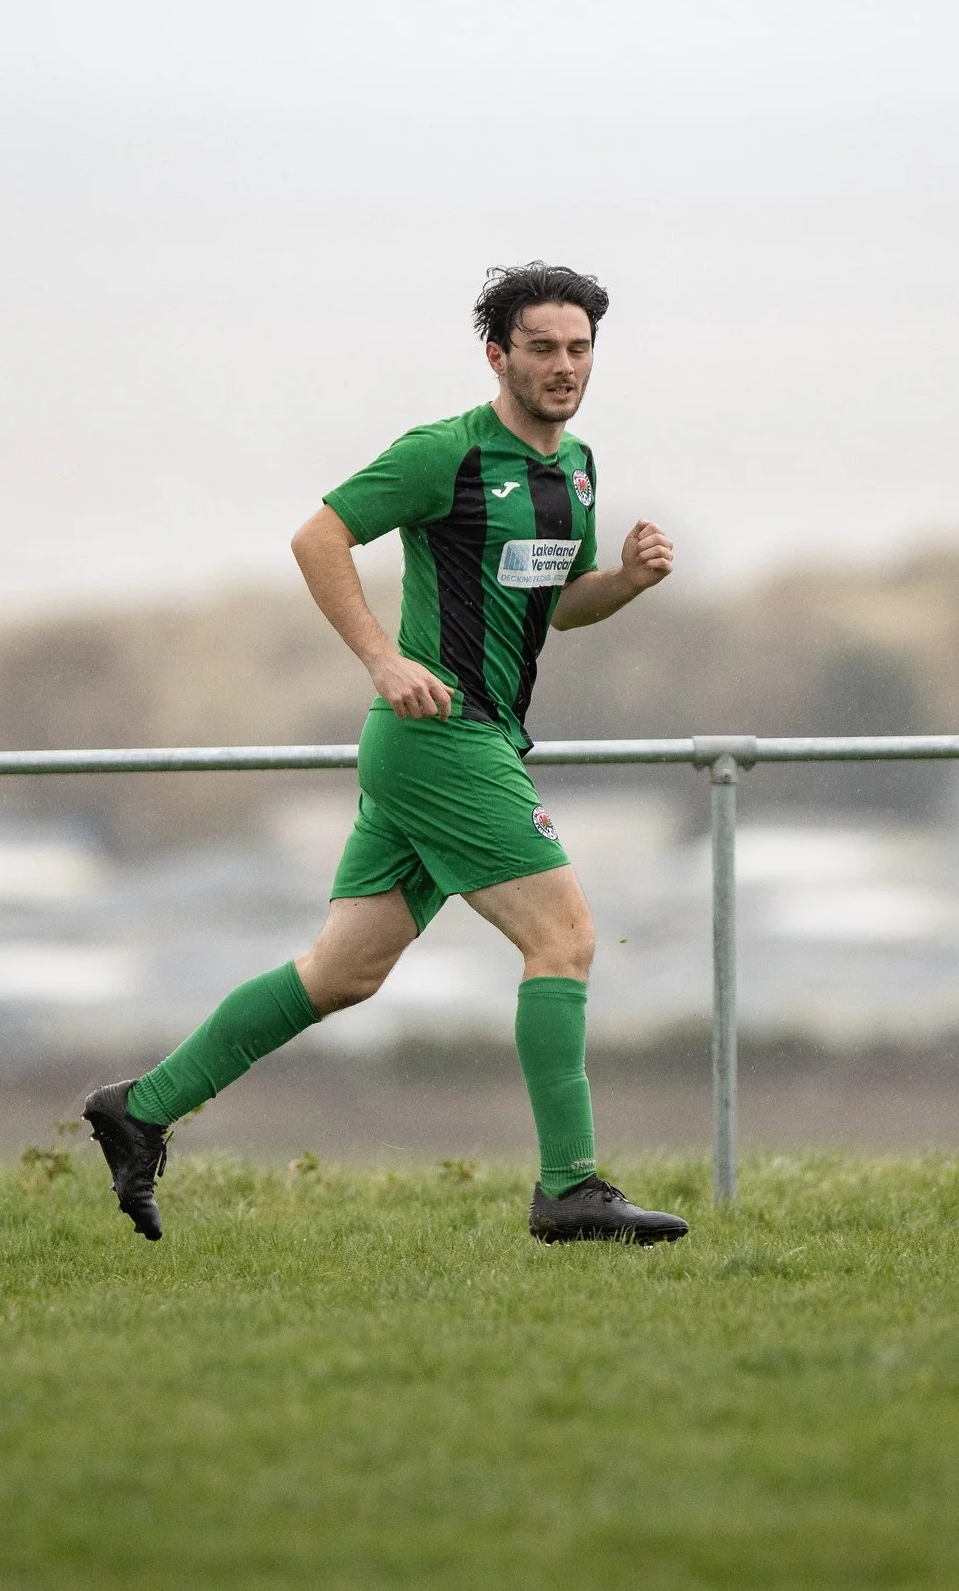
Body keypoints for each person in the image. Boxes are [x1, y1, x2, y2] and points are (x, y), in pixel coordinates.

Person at [84, 263, 688, 1246]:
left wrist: (622, 580)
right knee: (564, 938)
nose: (563, 366)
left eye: (578, 349)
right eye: (541, 347)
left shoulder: (574, 469)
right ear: (498, 354)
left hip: (455, 745)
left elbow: (559, 604)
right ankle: (570, 1188)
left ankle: (140, 1107)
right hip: (439, 740)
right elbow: (318, 537)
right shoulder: (443, 455)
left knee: (342, 970)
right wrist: (382, 658)